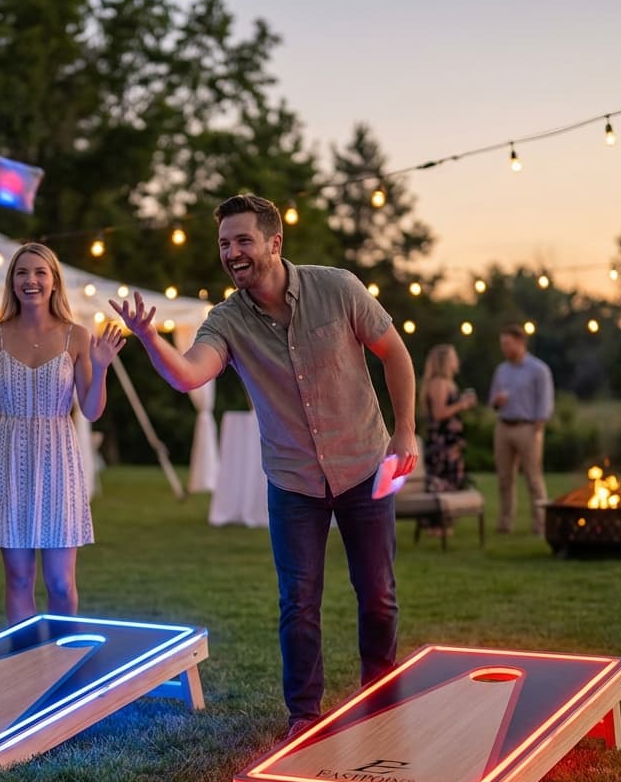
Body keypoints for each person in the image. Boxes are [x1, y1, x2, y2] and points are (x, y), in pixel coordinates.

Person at [110, 193, 418, 737]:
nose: (232, 253)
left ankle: (381, 694)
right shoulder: (226, 320)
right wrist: (151, 339)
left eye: (243, 240)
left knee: (378, 592)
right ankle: (305, 715)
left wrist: (405, 431)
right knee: (298, 601)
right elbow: (188, 375)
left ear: (275, 242)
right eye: (225, 244)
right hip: (293, 479)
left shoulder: (338, 288)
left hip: (364, 462)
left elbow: (395, 352)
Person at [0, 242, 124, 624]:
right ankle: (25, 667)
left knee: (61, 584)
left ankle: (63, 662)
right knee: (18, 579)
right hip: (8, 458)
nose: (30, 280)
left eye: (39, 273)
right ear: (12, 282)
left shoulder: (77, 336)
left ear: (54, 282)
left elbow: (92, 409)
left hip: (59, 460)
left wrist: (100, 369)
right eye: (21, 273)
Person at [487, 323, 554, 534]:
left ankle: (541, 523)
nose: (504, 348)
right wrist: (497, 402)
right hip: (504, 426)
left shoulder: (538, 370)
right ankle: (505, 522)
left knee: (533, 478)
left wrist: (538, 426)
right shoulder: (502, 370)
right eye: (502, 344)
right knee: (505, 478)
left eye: (507, 344)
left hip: (527, 427)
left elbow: (545, 401)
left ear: (520, 342)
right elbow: (493, 401)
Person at [420, 344, 476, 533]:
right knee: (441, 480)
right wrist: (462, 404)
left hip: (451, 442)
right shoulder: (438, 383)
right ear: (445, 361)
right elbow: (439, 413)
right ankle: (435, 525)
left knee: (452, 479)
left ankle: (444, 523)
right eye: (454, 357)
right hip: (441, 443)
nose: (457, 361)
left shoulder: (449, 382)